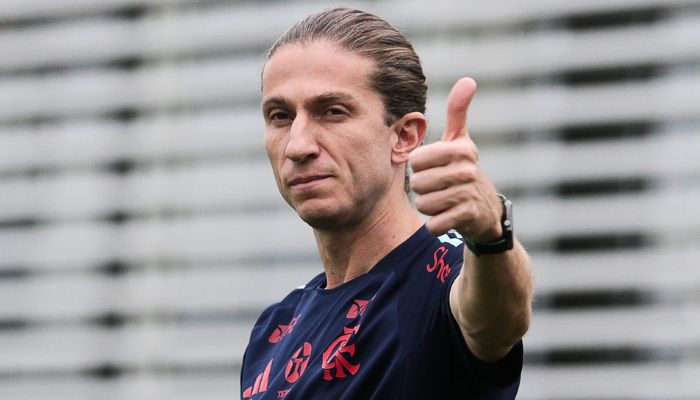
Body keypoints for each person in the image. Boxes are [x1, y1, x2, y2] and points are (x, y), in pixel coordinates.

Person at [240, 7, 533, 399]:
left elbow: (499, 320)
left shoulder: (445, 275)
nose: (298, 145)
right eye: (280, 116)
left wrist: (491, 232)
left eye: (332, 112)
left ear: (405, 137)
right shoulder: (275, 329)